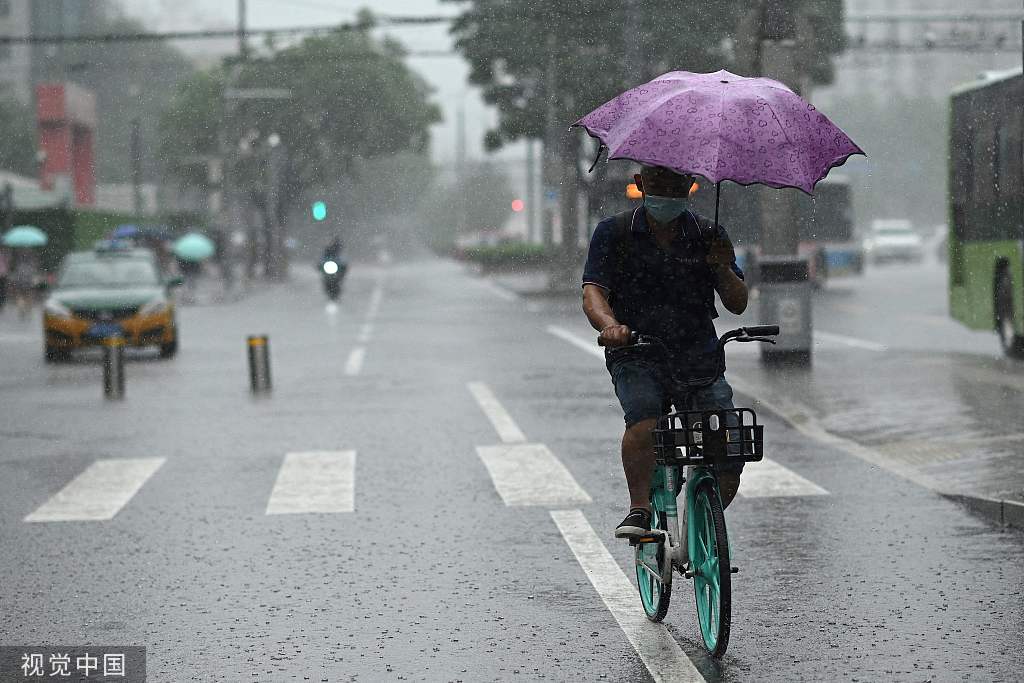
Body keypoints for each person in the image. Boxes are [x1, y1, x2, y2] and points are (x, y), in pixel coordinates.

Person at [581, 164, 749, 541]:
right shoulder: (614, 232)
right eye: (657, 183)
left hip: (698, 355)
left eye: (675, 184)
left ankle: (701, 524)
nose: (666, 192)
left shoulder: (710, 233)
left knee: (729, 451)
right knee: (644, 420)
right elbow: (593, 291)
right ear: (640, 184)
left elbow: (737, 303)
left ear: (690, 187)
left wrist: (722, 267)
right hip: (636, 350)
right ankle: (639, 508)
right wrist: (610, 325)